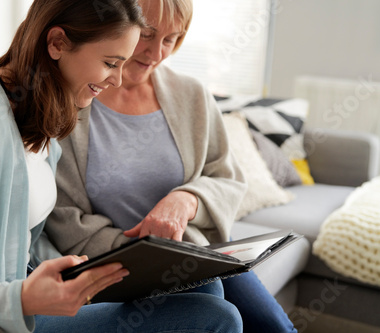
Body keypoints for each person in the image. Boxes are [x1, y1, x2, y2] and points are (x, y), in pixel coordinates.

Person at [0, 0, 244, 332]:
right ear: (56, 43)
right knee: (216, 317)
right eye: (110, 63)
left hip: (33, 285)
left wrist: (80, 275)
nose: (117, 79)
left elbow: (20, 241)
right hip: (5, 307)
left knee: (201, 284)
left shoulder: (43, 114)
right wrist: (22, 297)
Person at [45, 0, 298, 332]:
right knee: (212, 304)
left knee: (276, 329)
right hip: (115, 263)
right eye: (147, 35)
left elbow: (227, 177)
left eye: (171, 39)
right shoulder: (73, 100)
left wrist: (186, 200)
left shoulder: (190, 95)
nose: (156, 53)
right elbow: (65, 218)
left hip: (196, 250)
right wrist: (148, 256)